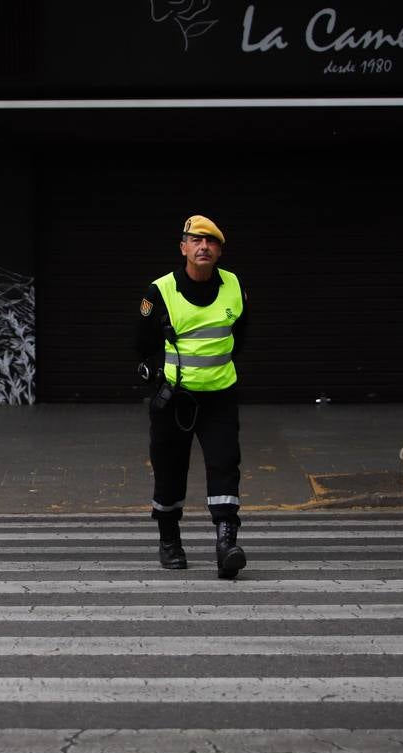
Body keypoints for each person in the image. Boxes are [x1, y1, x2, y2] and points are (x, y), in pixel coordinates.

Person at [135, 214, 249, 579]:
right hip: (175, 401)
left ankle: (226, 543)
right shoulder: (160, 291)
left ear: (219, 250)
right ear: (183, 247)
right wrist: (158, 382)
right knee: (169, 470)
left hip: (220, 398)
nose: (204, 247)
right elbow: (141, 344)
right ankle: (169, 541)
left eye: (211, 241)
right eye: (196, 240)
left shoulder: (234, 286)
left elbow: (240, 336)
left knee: (225, 464)